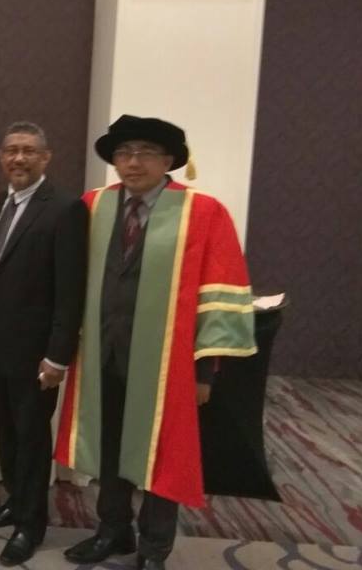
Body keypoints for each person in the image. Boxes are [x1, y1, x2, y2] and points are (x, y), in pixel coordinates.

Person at [56, 115, 257, 570]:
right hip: (103, 354)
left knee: (163, 456)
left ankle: (154, 548)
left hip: (169, 363)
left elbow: (218, 295)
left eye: (145, 152)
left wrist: (205, 371)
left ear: (168, 160)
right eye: (124, 153)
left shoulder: (202, 212)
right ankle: (113, 530)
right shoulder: (94, 206)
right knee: (110, 448)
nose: (133, 162)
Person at [0, 121, 88, 566]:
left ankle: (31, 524)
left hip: (37, 352)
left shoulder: (65, 208)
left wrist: (58, 356)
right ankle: (15, 503)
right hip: (0, 343)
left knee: (32, 439)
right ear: (1, 156)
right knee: (9, 435)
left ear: (46, 157)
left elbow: (70, 290)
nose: (18, 158)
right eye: (11, 150)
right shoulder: (2, 201)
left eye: (28, 151)